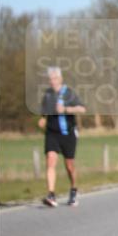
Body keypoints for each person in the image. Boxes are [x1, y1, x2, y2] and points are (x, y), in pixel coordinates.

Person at [38, 67, 86, 207]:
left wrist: (66, 109)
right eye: (50, 79)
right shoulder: (47, 95)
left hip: (68, 133)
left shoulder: (69, 93)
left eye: (54, 79)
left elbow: (82, 109)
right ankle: (51, 195)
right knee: (50, 159)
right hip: (52, 133)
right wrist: (43, 119)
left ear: (60, 79)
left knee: (69, 165)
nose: (52, 81)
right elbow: (44, 111)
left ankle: (73, 190)